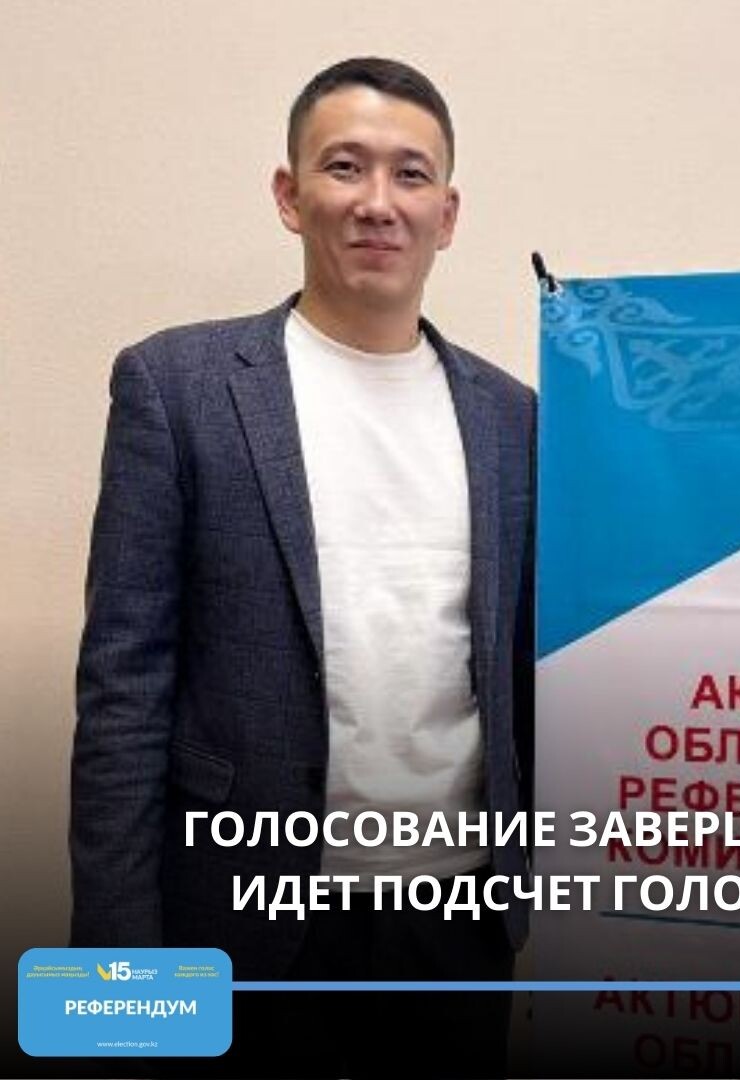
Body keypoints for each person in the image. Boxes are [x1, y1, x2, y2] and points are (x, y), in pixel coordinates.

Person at [70, 57, 534, 1078]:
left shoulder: (514, 419)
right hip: (243, 921)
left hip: (457, 924)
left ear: (448, 214)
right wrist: (114, 961)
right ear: (290, 195)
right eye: (344, 166)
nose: (378, 202)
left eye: (411, 175)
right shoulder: (177, 387)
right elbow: (122, 689)